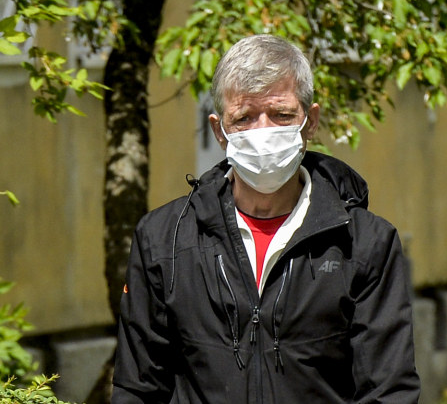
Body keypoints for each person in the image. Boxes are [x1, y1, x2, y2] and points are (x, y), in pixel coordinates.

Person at [112, 34, 420, 403]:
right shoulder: (164, 241)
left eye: (282, 115)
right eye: (244, 117)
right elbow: (138, 389)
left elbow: (388, 392)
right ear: (219, 131)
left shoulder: (365, 244)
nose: (264, 132)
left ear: (310, 121)